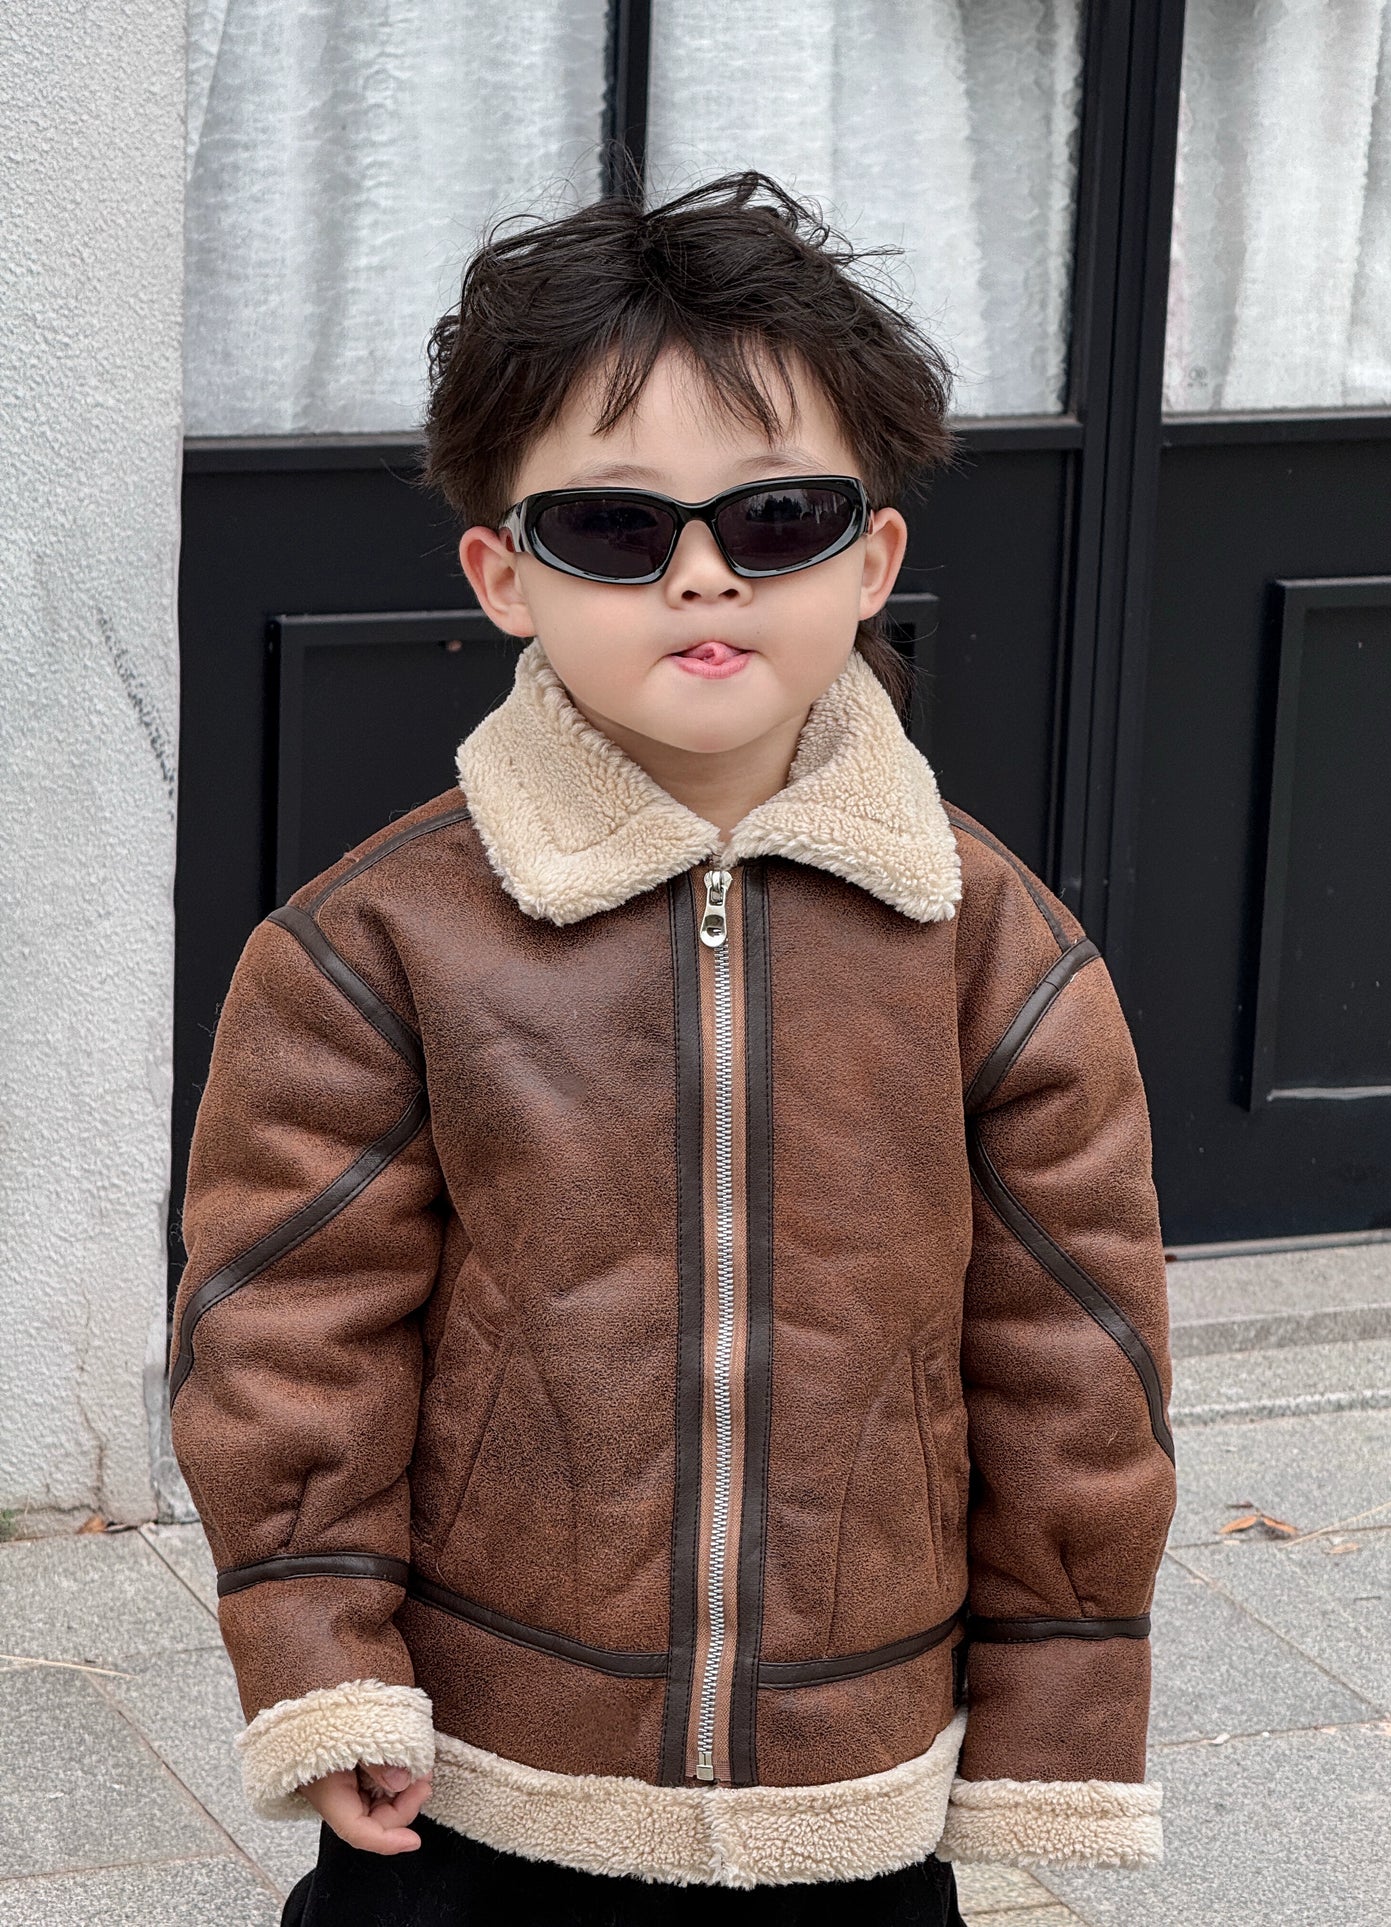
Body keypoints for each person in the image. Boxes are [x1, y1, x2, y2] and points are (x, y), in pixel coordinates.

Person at [169, 172, 1176, 1926]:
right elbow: (283, 1334)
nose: (702, 571)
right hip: (482, 1783)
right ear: (503, 573)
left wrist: (1053, 1726)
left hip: (851, 1795)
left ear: (870, 558)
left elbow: (1075, 1368)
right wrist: (321, 1661)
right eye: (616, 531)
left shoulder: (992, 949)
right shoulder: (372, 946)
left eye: (773, 517)